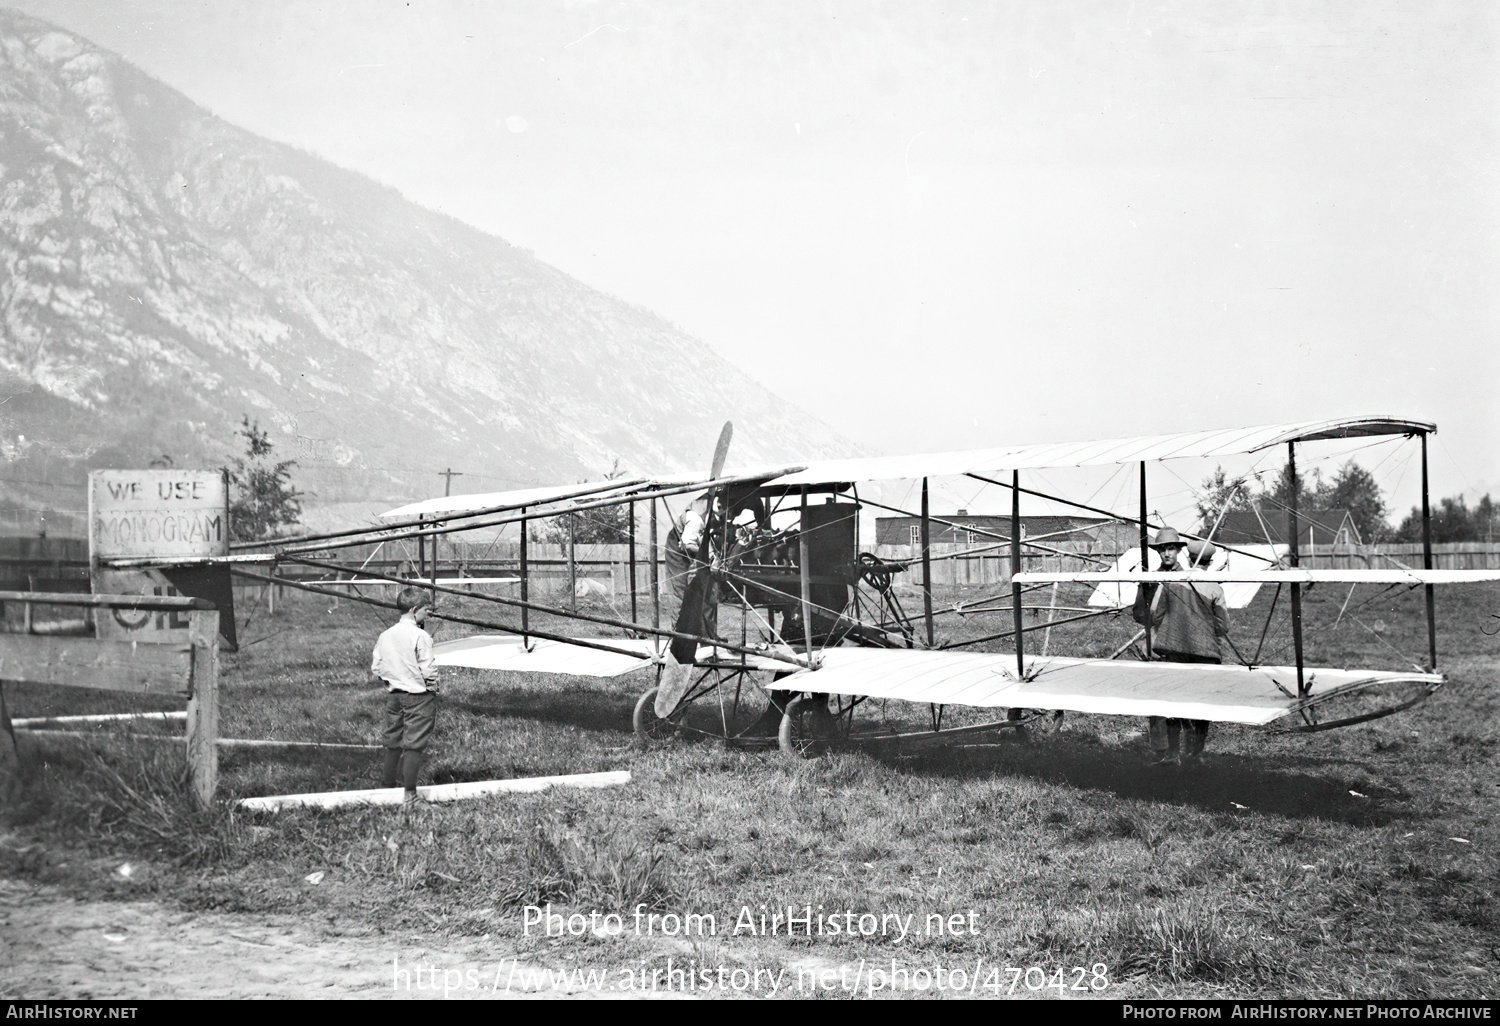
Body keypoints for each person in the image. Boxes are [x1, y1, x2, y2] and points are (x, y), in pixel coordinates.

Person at [1131, 527, 1232, 766]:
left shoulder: (1174, 582)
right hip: (1195, 650)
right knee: (1191, 704)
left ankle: (1177, 753)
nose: (1167, 553)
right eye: (1163, 549)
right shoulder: (1215, 587)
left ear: (1182, 553)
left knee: (1174, 702)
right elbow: (1223, 626)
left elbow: (1155, 614)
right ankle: (1184, 753)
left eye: (1171, 549)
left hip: (1172, 648)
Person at [373, 587, 439, 805]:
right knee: (414, 744)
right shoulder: (420, 636)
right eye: (426, 610)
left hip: (394, 696)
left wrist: (392, 681)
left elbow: (377, 667)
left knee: (393, 740)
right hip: (419, 697)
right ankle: (409, 795)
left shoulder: (385, 635)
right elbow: (428, 669)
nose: (428, 614)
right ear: (414, 610)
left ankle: (386, 788)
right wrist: (432, 688)